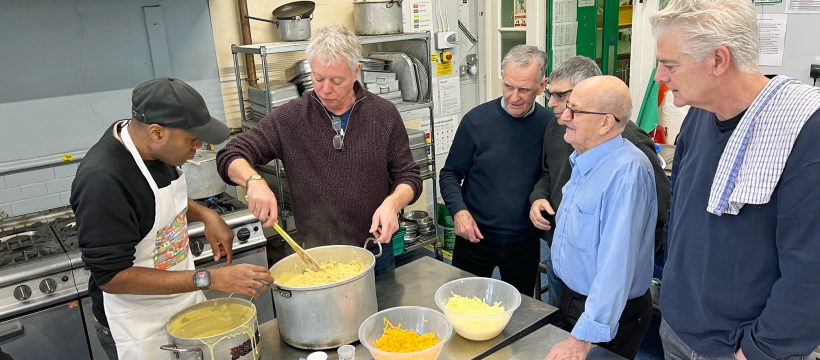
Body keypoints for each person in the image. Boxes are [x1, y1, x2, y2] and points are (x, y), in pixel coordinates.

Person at [651, 0, 820, 358]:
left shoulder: (805, 129)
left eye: (670, 65)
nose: (659, 77)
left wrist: (758, 350)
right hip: (678, 327)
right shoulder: (699, 113)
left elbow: (811, 272)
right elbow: (682, 212)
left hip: (738, 348)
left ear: (718, 60)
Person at [70, 78, 274, 360]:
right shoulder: (103, 180)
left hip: (181, 304)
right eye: (191, 138)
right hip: (139, 326)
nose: (198, 145)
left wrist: (205, 214)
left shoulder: (152, 147)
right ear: (156, 133)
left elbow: (153, 199)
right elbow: (112, 277)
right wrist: (209, 278)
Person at [216, 25, 421, 275]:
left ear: (357, 71)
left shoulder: (383, 115)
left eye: (336, 80)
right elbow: (230, 154)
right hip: (317, 258)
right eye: (318, 78)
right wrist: (253, 180)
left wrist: (392, 204)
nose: (325, 89)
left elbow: (409, 176)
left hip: (375, 250)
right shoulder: (292, 118)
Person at [529, 56, 670, 307]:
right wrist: (538, 197)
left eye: (562, 97)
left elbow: (659, 211)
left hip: (601, 275)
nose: (552, 103)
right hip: (561, 256)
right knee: (561, 329)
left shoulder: (630, 145)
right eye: (551, 94)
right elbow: (548, 173)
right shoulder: (556, 127)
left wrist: (632, 265)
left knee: (597, 341)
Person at [544, 75, 656, 360]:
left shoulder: (626, 174)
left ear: (606, 122)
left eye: (575, 111)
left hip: (608, 313)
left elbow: (615, 267)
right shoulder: (585, 158)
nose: (563, 117)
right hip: (575, 298)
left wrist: (583, 338)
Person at [439, 45, 552, 295]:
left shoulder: (550, 126)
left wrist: (541, 197)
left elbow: (549, 174)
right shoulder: (475, 121)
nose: (514, 96)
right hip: (474, 238)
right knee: (463, 305)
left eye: (524, 89)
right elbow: (449, 174)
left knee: (519, 312)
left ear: (542, 86)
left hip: (524, 242)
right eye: (508, 86)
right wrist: (458, 212)